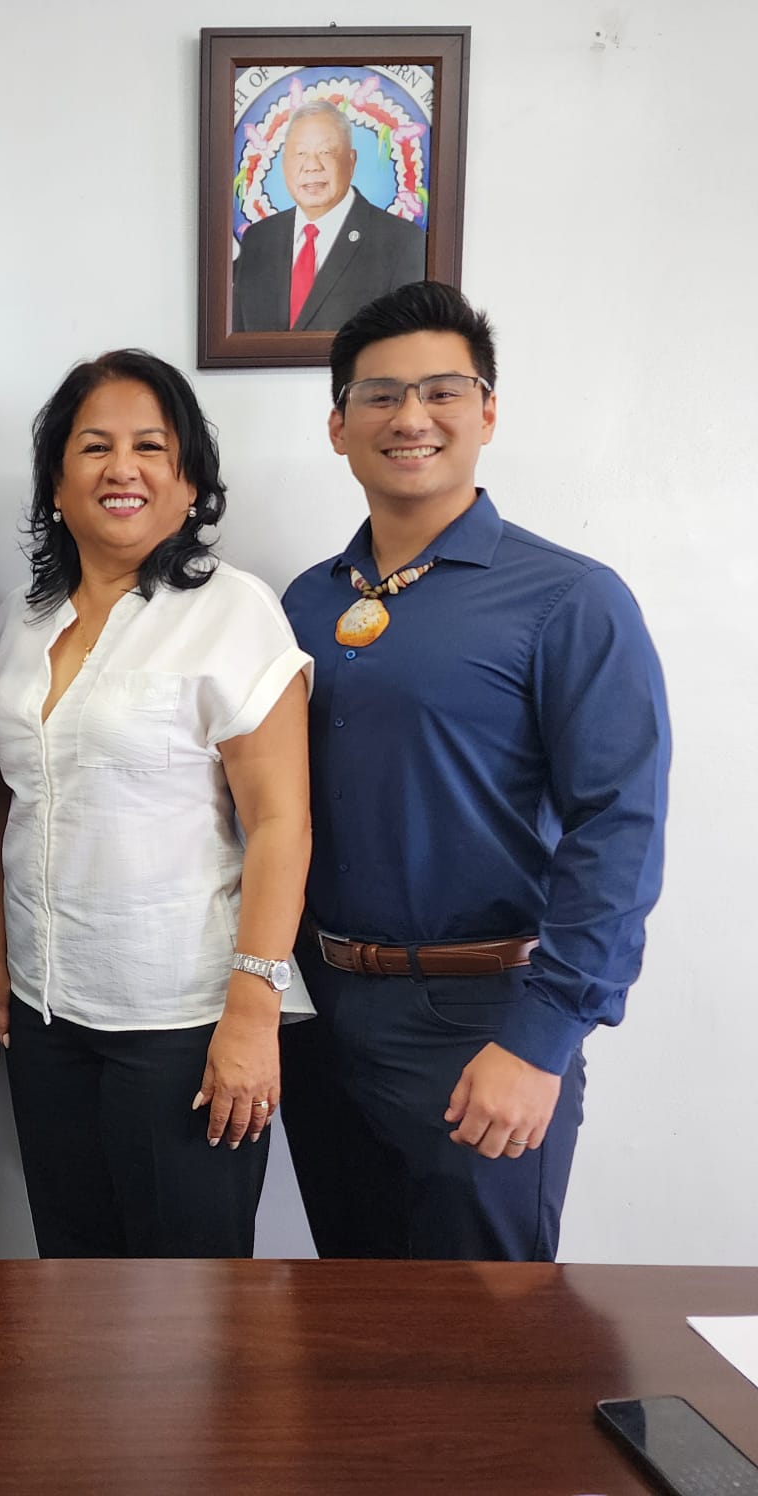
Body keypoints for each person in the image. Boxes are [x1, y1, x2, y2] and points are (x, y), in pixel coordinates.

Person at [279, 281, 670, 1261]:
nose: (409, 417)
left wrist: (542, 1038)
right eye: (378, 395)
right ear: (337, 425)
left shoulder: (569, 599)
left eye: (440, 391)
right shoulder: (299, 602)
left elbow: (616, 824)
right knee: (353, 1318)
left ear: (485, 411)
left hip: (482, 1019)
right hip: (320, 1011)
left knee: (486, 1343)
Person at [0, 350, 313, 1259]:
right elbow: (7, 795)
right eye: (94, 447)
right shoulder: (21, 620)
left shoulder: (236, 612)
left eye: (152, 446)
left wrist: (252, 1014)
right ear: (56, 482)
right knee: (73, 1285)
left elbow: (280, 822)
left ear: (190, 479)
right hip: (45, 1015)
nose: (124, 468)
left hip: (183, 1021)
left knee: (187, 1314)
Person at [233, 101, 425, 334]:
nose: (311, 166)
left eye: (326, 152)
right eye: (300, 153)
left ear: (351, 161)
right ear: (284, 164)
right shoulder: (259, 238)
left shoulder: (402, 242)